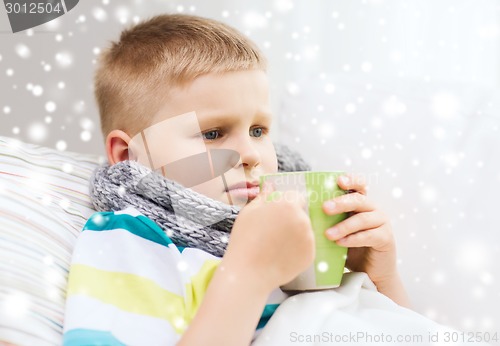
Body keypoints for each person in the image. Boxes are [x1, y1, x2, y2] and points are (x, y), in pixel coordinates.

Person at [63, 14, 410, 345]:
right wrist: (249, 273)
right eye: (213, 133)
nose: (251, 154)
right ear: (128, 154)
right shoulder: (130, 238)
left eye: (258, 130)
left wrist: (381, 278)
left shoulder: (299, 224)